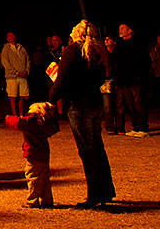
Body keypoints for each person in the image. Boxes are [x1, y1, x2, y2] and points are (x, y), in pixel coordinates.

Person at [50, 19, 116, 207]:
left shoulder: (72, 51)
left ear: (78, 33)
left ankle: (95, 194)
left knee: (87, 149)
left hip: (79, 105)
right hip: (95, 102)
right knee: (97, 147)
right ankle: (106, 190)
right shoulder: (98, 51)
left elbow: (62, 78)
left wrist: (52, 98)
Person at [5, 101, 59, 207]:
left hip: (33, 154)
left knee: (33, 176)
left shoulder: (32, 123)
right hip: (44, 153)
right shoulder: (45, 124)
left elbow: (18, 122)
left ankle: (32, 200)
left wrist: (7, 118)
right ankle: (47, 200)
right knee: (44, 178)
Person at [111, 23, 150, 136]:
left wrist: (141, 76)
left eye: (123, 28)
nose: (120, 30)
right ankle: (136, 127)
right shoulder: (119, 45)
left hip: (136, 79)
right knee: (131, 105)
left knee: (139, 103)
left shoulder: (137, 44)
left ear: (130, 31)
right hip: (124, 79)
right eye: (119, 29)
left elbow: (144, 61)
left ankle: (143, 128)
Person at [0, 31, 30, 119]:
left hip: (23, 76)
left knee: (22, 96)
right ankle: (15, 115)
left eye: (12, 36)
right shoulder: (6, 49)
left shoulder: (21, 48)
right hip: (12, 77)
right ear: (7, 39)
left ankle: (21, 114)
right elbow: (5, 63)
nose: (11, 37)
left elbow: (27, 60)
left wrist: (26, 71)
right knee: (13, 96)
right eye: (9, 36)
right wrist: (16, 72)